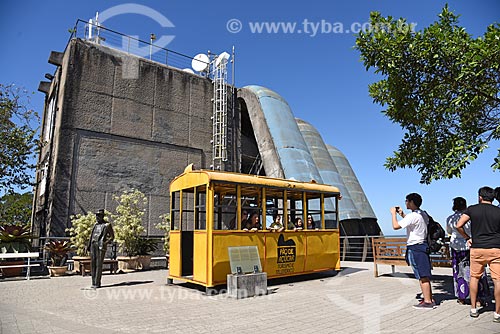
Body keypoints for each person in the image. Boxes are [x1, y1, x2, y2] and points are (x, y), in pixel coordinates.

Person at [457, 186, 500, 320]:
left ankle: (474, 308)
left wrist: (467, 238)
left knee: (474, 278)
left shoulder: (472, 209)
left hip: (477, 249)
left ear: (480, 197)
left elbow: (458, 225)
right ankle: (497, 313)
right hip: (496, 249)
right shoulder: (498, 211)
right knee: (498, 280)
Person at [391, 193, 436, 309]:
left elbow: (395, 226)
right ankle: (429, 298)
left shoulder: (413, 216)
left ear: (411, 202)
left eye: (406, 201)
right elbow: (413, 223)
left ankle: (428, 302)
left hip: (416, 247)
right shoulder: (423, 214)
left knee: (422, 275)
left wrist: (393, 214)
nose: (405, 202)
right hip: (422, 245)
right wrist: (402, 214)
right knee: (423, 274)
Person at [446, 197, 490, 305]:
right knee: (476, 272)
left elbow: (449, 231)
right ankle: (478, 298)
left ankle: (462, 297)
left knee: (459, 273)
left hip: (456, 247)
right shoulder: (470, 218)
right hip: (471, 246)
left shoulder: (450, 218)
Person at [87, 209, 114, 289]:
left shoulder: (107, 225)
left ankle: (97, 283)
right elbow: (91, 236)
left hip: (100, 246)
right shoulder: (95, 225)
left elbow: (112, 237)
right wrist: (88, 246)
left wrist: (105, 243)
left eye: (99, 215)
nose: (97, 217)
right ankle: (93, 282)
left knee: (99, 264)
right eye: (96, 215)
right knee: (93, 264)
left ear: (102, 216)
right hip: (93, 245)